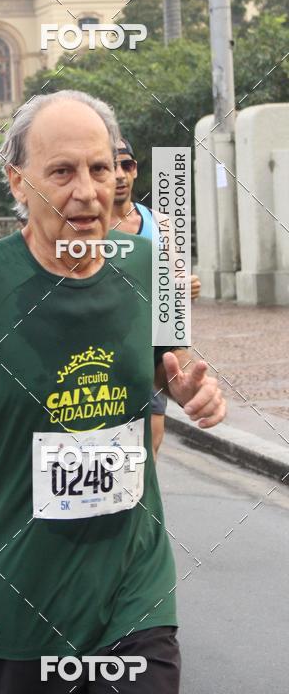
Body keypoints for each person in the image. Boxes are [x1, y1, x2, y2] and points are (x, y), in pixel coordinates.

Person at [0, 91, 225, 694]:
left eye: (101, 168)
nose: (88, 190)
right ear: (18, 182)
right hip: (15, 616)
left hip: (133, 601)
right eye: (62, 171)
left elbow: (175, 367)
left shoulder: (151, 266)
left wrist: (194, 390)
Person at [109, 137, 201, 457]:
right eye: (111, 166)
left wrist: (184, 289)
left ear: (135, 171)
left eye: (127, 165)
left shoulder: (159, 223)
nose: (120, 174)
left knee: (152, 440)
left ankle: (144, 506)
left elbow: (174, 286)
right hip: (102, 349)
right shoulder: (86, 227)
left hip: (149, 349)